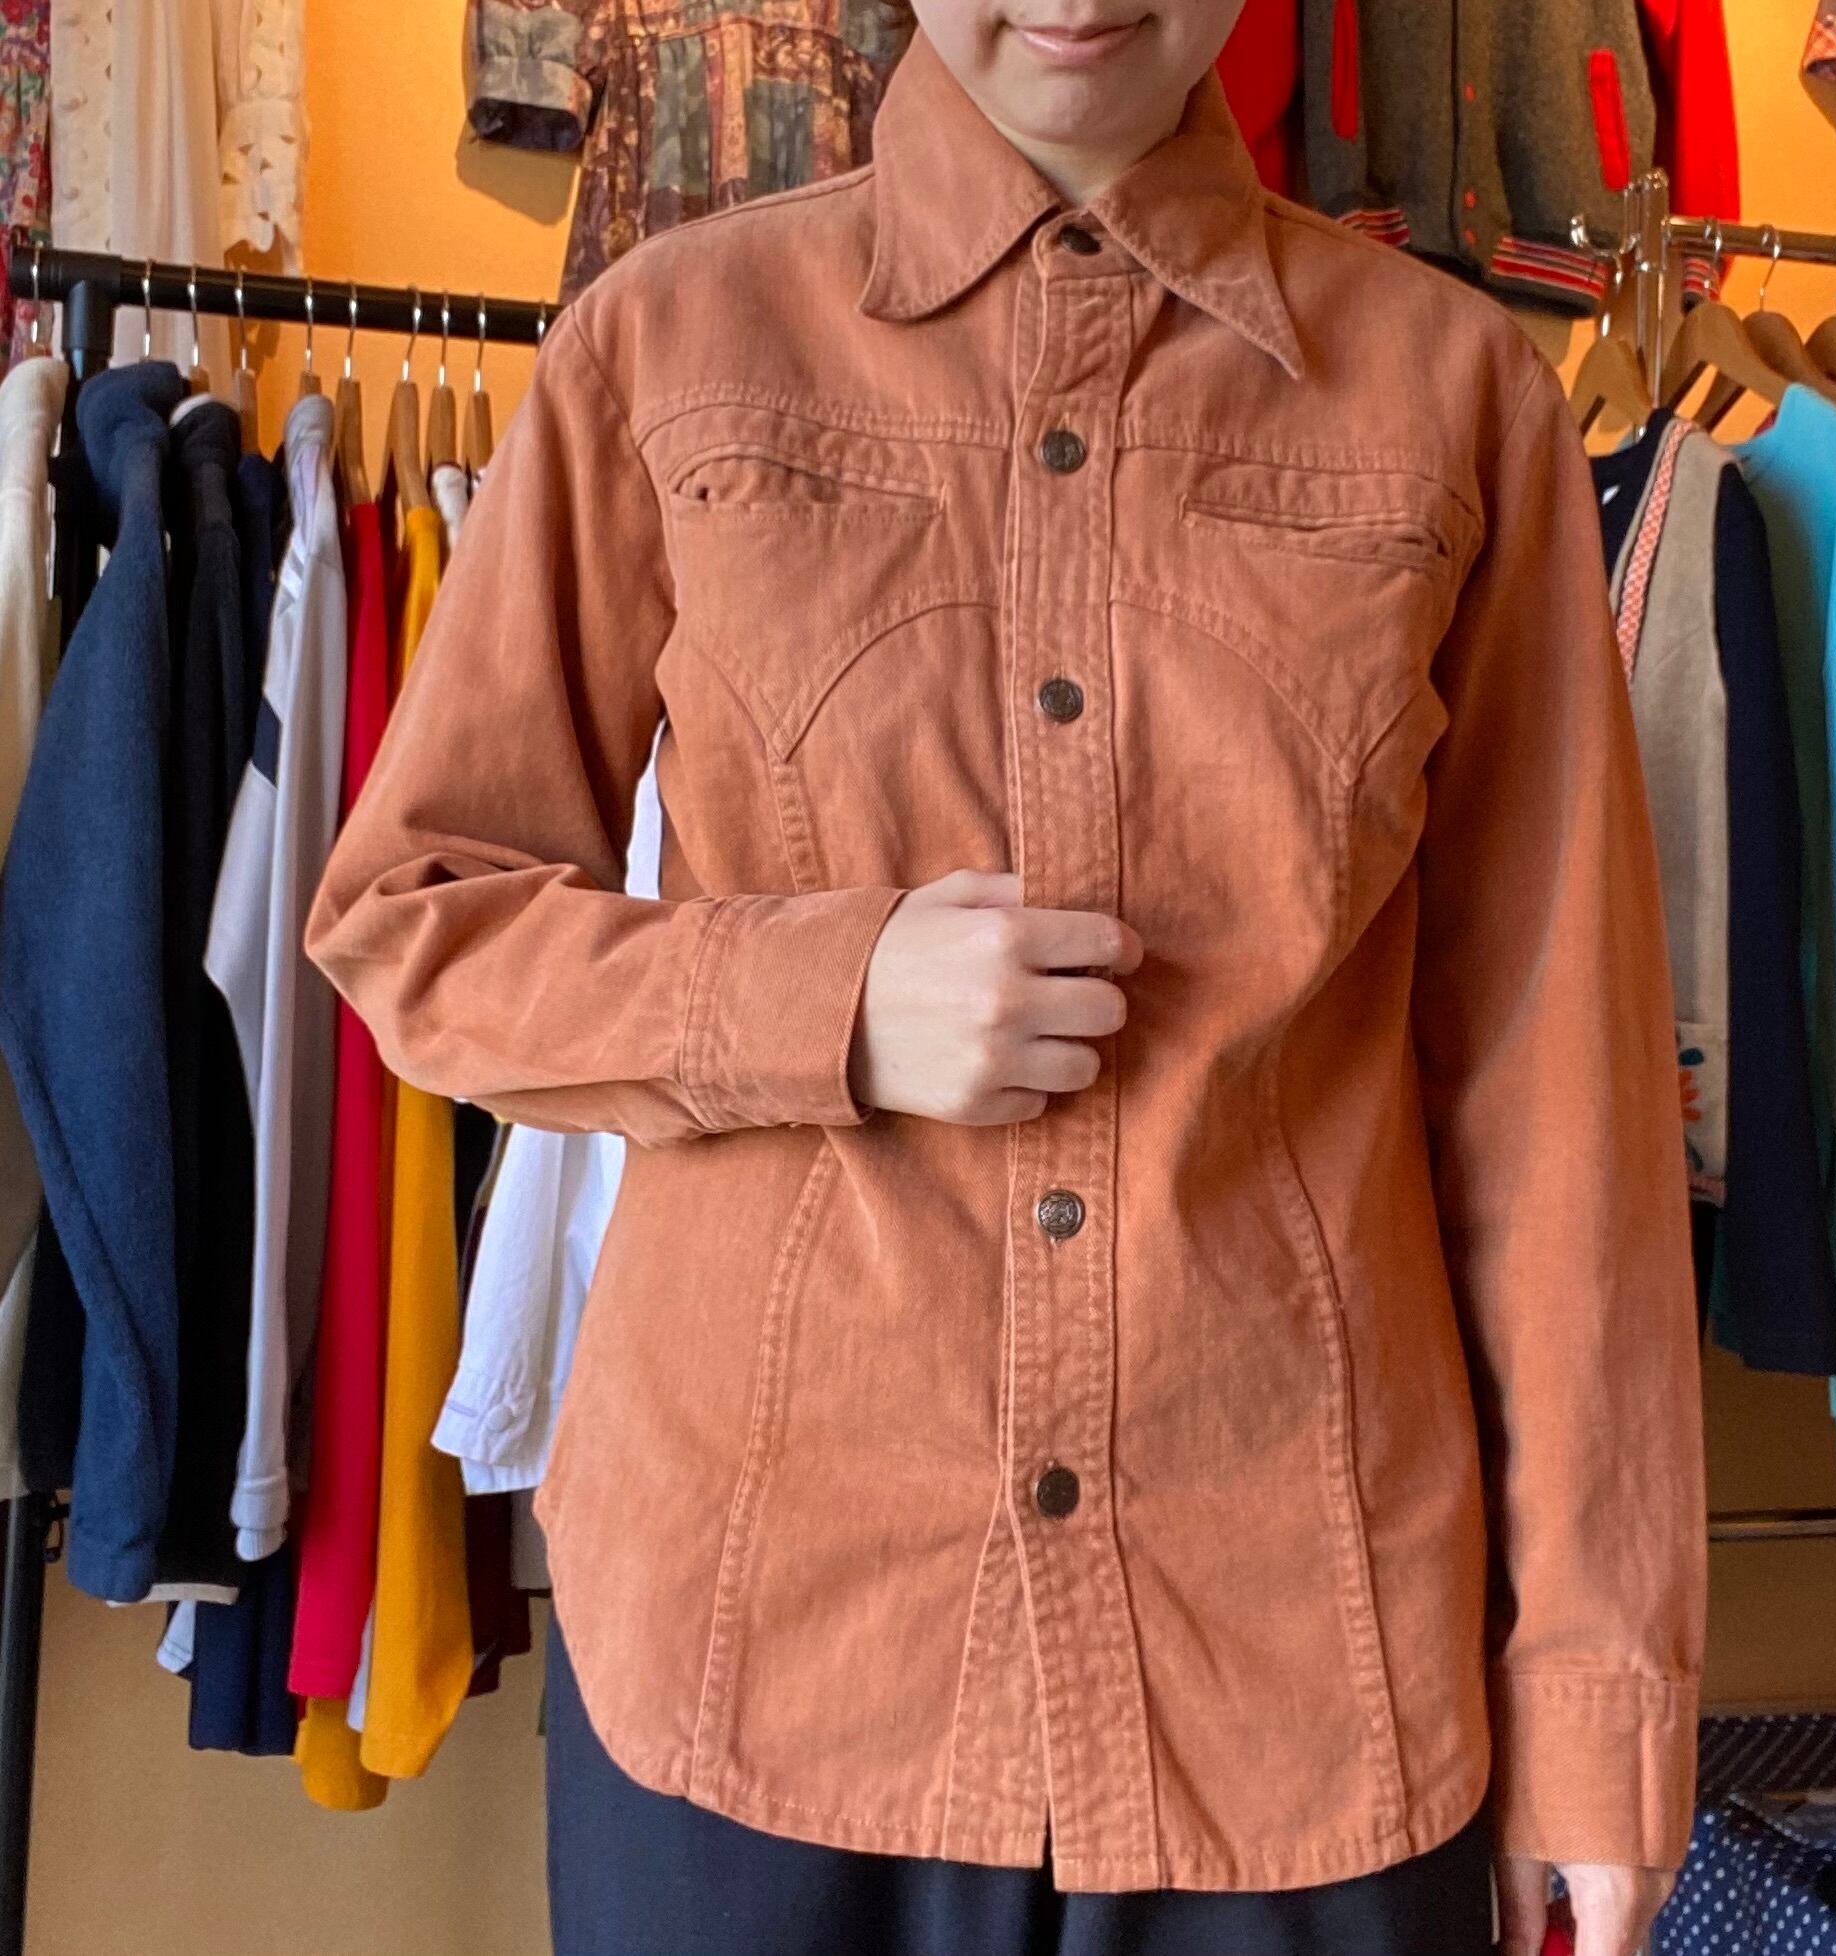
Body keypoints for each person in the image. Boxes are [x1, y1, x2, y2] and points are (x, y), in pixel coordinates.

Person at [305, 0, 1707, 1949]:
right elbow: (418, 915)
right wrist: (825, 1000)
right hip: (761, 1653)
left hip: (1296, 1682)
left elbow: (1564, 1108)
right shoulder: (670, 344)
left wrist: (1597, 1690)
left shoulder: (1455, 397)